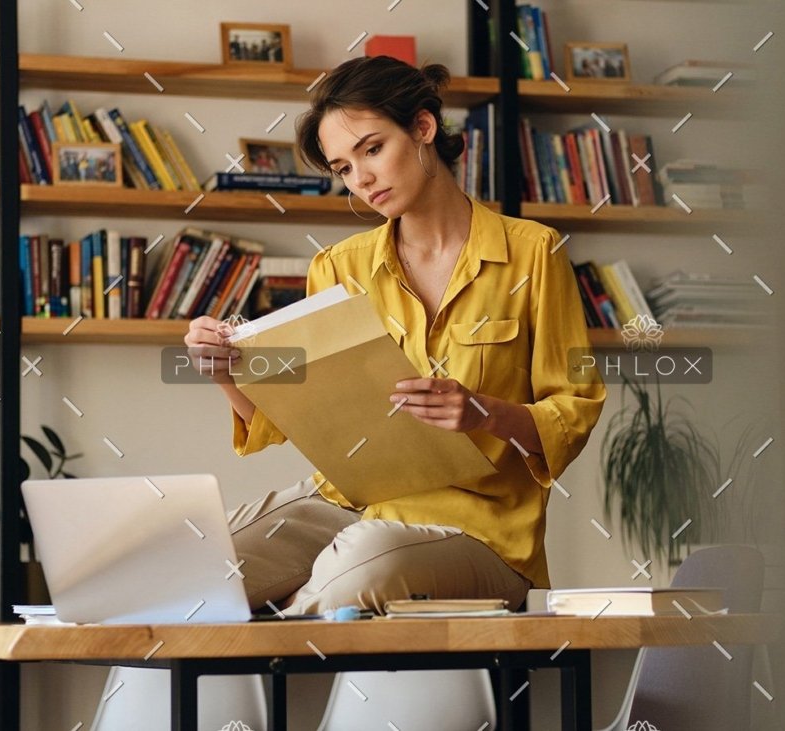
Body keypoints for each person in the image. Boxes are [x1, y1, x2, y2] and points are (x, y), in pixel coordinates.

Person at [183, 55, 606, 616]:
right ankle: (298, 608)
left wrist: (483, 413)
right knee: (193, 565)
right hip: (347, 504)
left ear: (423, 127)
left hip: (482, 529)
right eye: (343, 167)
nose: (361, 179)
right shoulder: (337, 267)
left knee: (360, 564)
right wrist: (223, 372)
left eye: (372, 149)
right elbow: (291, 417)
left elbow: (574, 408)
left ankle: (292, 611)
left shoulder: (535, 252)